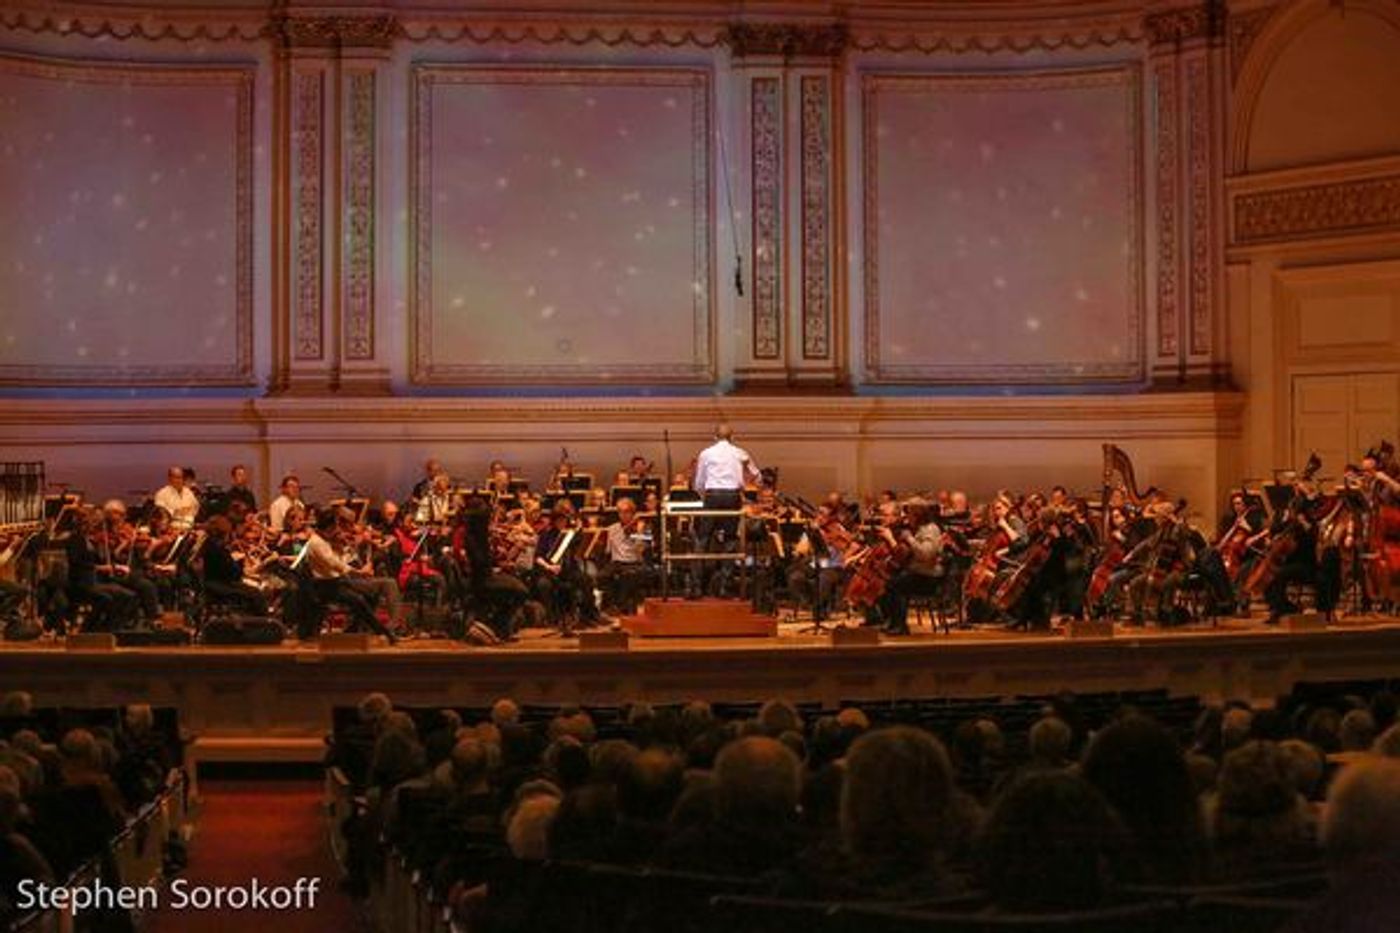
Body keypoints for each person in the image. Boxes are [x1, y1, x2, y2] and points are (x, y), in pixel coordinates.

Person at [303, 510, 395, 643]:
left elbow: (338, 562)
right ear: (329, 527)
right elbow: (335, 564)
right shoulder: (316, 543)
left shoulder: (325, 540)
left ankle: (354, 629)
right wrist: (359, 572)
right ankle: (383, 632)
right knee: (358, 600)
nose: (338, 529)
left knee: (371, 594)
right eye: (336, 525)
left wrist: (343, 547)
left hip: (337, 581)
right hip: (325, 586)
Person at [690, 424, 760, 596]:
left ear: (714, 437)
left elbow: (699, 482)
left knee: (703, 538)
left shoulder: (706, 453)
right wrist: (744, 483)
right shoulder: (739, 452)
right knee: (730, 539)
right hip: (732, 496)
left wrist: (704, 495)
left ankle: (696, 586)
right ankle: (724, 586)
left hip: (712, 495)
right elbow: (757, 476)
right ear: (732, 437)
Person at [153, 465, 199, 530]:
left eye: (180, 477)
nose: (179, 480)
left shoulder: (188, 492)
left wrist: (188, 511)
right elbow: (160, 515)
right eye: (176, 478)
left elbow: (195, 508)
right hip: (170, 529)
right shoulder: (162, 494)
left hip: (189, 527)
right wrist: (176, 512)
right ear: (170, 478)